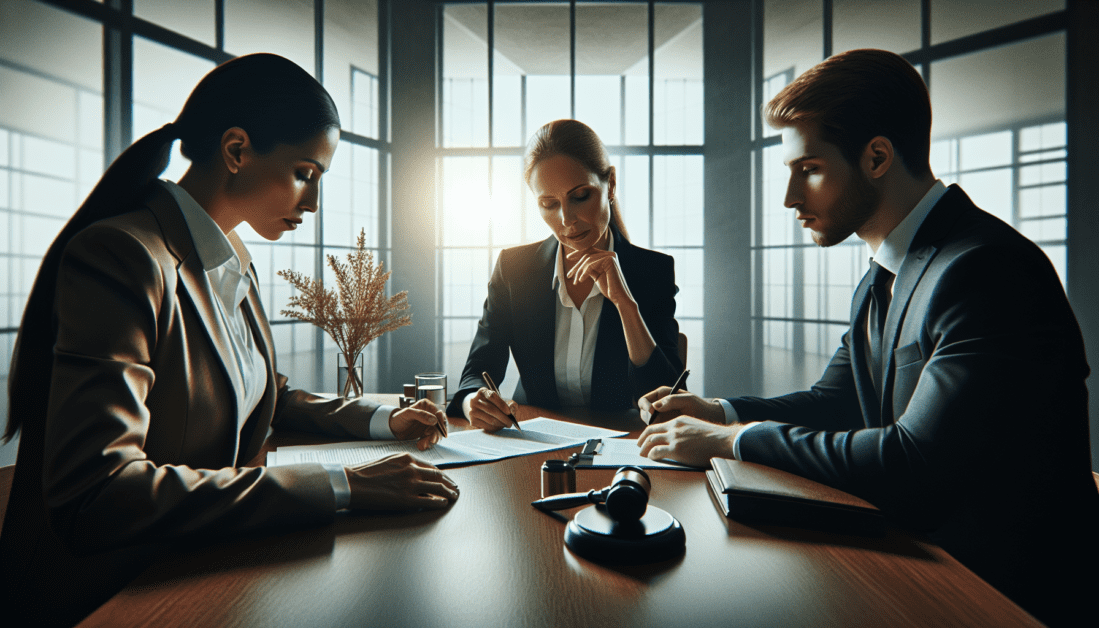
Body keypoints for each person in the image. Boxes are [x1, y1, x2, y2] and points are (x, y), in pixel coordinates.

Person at [636, 49, 1098, 627]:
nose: (790, 198)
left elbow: (913, 462)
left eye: (809, 170)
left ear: (877, 156)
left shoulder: (985, 270)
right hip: (925, 564)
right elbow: (839, 401)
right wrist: (718, 409)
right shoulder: (885, 273)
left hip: (1008, 597)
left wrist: (730, 440)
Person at [0, 53, 457, 627]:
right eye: (305, 174)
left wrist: (381, 420)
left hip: (206, 567)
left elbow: (259, 394)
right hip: (109, 595)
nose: (312, 203)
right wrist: (342, 485)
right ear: (237, 150)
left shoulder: (228, 259)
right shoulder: (126, 257)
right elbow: (100, 492)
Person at [445, 119, 683, 431]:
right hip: (532, 439)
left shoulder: (653, 272)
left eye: (580, 196)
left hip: (624, 444)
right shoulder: (514, 269)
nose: (566, 219)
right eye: (549, 203)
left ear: (610, 185)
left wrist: (626, 305)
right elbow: (478, 369)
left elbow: (667, 402)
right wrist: (474, 400)